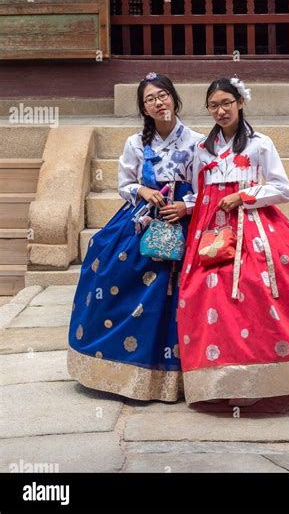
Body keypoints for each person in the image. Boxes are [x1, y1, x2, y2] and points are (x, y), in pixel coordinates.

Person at [177, 76, 289, 406]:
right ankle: (223, 379)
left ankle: (261, 379)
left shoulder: (260, 144)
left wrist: (244, 196)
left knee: (253, 289)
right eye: (213, 105)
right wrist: (185, 207)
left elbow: (282, 189)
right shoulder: (201, 149)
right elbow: (199, 192)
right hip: (212, 231)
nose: (220, 111)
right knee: (207, 292)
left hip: (254, 227)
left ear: (240, 103)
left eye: (226, 103)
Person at [67, 73, 203, 402]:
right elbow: (124, 185)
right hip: (141, 218)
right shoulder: (135, 143)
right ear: (144, 108)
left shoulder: (198, 142)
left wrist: (185, 208)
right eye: (150, 99)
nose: (158, 103)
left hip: (180, 221)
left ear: (174, 98)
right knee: (104, 261)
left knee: (175, 291)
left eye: (163, 96)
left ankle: (176, 377)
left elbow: (204, 191)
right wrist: (142, 189)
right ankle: (121, 369)